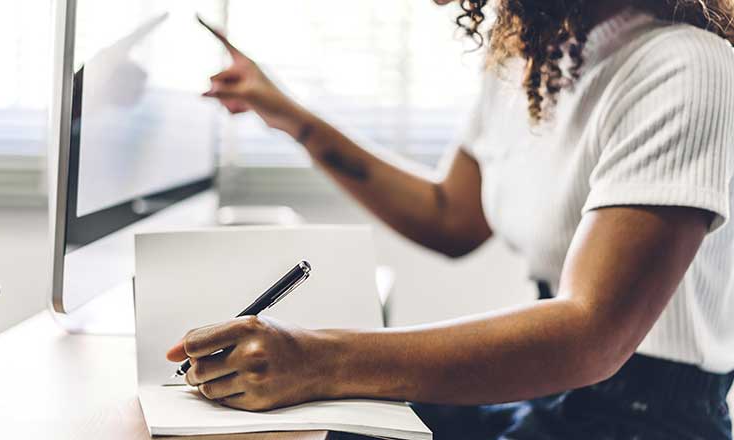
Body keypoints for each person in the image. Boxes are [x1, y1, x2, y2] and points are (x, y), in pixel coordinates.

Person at [166, 1, 734, 438]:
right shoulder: (527, 57)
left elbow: (592, 338)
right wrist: (292, 118)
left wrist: (318, 359)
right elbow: (450, 216)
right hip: (550, 392)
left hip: (647, 415)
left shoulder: (687, 67)